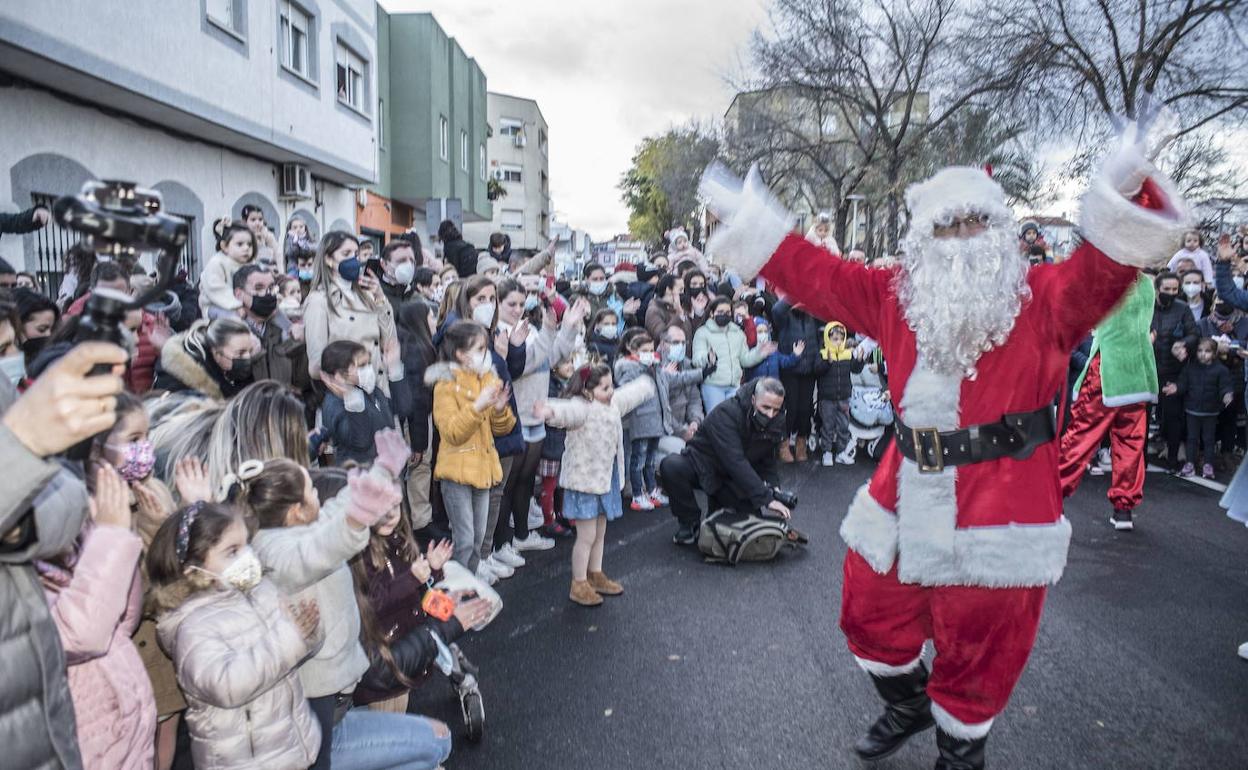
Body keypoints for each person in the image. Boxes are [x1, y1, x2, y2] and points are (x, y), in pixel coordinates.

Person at [699, 112, 1189, 765]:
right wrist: (756, 229)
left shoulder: (1046, 297)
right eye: (946, 225)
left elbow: (1110, 263)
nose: (961, 238)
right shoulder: (895, 296)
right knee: (867, 614)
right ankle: (906, 703)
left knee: (981, 645)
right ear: (923, 237)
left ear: (999, 231)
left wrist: (1125, 195)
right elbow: (815, 273)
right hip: (905, 490)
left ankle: (960, 751)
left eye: (975, 222)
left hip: (1003, 501)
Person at [0, 342, 127, 770]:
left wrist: (16, 520)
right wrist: (18, 451)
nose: (11, 358)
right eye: (2, 349)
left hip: (43, 711)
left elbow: (64, 505)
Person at [147, 502, 324, 770]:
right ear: (192, 570)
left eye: (246, 545)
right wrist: (291, 638)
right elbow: (228, 685)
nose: (247, 557)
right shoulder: (192, 627)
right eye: (232, 551)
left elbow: (297, 644)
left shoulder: (260, 589)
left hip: (291, 748)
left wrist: (307, 629)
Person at [36, 463, 156, 770]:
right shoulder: (21, 580)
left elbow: (123, 621)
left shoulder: (68, 555)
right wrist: (110, 538)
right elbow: (81, 634)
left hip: (129, 744)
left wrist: (107, 534)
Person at [533, 363, 654, 606]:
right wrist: (549, 411)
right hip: (585, 481)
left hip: (606, 479)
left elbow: (629, 394)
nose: (610, 392)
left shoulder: (613, 403)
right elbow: (567, 411)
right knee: (586, 535)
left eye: (611, 386)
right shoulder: (583, 407)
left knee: (600, 532)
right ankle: (578, 583)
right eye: (604, 388)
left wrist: (646, 384)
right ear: (588, 392)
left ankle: (595, 574)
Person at [1058, 274, 1157, 531]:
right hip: (1138, 373)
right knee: (1130, 443)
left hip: (1107, 371)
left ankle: (1052, 495)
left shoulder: (1106, 279)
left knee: (1081, 437)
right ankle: (1123, 509)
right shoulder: (1146, 284)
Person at [427, 320, 516, 574]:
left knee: (477, 540)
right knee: (464, 540)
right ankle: (454, 589)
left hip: (484, 470)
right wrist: (477, 406)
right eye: (479, 349)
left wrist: (499, 410)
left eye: (485, 348)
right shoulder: (446, 384)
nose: (485, 354)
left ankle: (470, 585)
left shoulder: (488, 378)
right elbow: (452, 432)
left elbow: (502, 428)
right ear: (460, 354)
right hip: (456, 473)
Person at [659, 377, 789, 545]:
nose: (770, 414)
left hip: (731, 477)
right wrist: (767, 499)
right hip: (704, 466)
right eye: (766, 407)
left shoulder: (777, 420)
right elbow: (735, 461)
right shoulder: (726, 413)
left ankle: (717, 510)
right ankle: (689, 522)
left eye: (776, 410)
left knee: (750, 524)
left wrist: (774, 489)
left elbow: (768, 459)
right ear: (753, 399)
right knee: (671, 466)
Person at [304, 231, 399, 396]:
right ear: (328, 259)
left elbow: (390, 342)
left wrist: (380, 299)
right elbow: (316, 364)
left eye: (355, 254)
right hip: (347, 394)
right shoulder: (318, 301)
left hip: (379, 389)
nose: (353, 260)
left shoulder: (366, 296)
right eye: (346, 254)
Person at [319, 339, 411, 466]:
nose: (368, 368)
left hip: (386, 474)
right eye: (362, 365)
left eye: (368, 363)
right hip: (360, 479)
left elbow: (402, 408)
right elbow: (360, 441)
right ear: (339, 374)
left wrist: (394, 369)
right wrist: (352, 398)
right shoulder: (333, 404)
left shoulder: (367, 390)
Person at [693, 296, 774, 412]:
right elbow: (696, 359)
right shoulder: (703, 333)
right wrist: (707, 358)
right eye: (720, 312)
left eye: (727, 312)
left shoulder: (737, 333)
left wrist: (760, 352)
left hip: (734, 385)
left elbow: (745, 359)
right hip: (713, 385)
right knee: (717, 422)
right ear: (712, 313)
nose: (724, 315)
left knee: (733, 422)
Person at [615, 329, 666, 511]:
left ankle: (651, 489)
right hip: (640, 421)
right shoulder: (629, 368)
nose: (649, 354)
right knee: (638, 460)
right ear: (634, 352)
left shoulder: (653, 366)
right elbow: (624, 389)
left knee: (650, 459)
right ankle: (637, 494)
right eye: (645, 350)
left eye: (651, 350)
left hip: (655, 420)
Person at [1151, 270, 1197, 469]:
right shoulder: (1146, 308)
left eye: (1175, 289)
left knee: (1173, 417)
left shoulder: (1183, 308)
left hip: (1173, 371)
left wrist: (1184, 344)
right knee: (1141, 417)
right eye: (1166, 289)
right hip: (1148, 370)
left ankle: (1172, 458)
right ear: (1157, 289)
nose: (1171, 292)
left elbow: (1193, 333)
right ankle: (1139, 457)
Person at [232, 264, 303, 388]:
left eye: (271, 288)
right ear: (239, 294)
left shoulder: (286, 330)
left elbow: (303, 383)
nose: (267, 294)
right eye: (259, 288)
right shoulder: (229, 335)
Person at [1170, 338, 1233, 479]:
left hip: (1210, 411)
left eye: (1207, 351)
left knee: (1208, 440)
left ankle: (1208, 464)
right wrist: (1176, 388)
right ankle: (1190, 463)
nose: (1203, 354)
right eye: (1200, 351)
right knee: (1191, 438)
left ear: (1215, 353)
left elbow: (1225, 385)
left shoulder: (1220, 370)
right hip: (1192, 409)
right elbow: (1183, 382)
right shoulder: (1191, 367)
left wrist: (1227, 394)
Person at [153, 317, 257, 399]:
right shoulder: (177, 381)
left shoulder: (235, 373)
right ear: (217, 354)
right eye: (240, 353)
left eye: (250, 351)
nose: (247, 357)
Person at [814, 321, 858, 466]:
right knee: (828, 425)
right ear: (828, 339)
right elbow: (817, 371)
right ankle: (826, 452)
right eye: (834, 339)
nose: (838, 342)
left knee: (844, 425)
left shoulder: (847, 354)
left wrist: (860, 359)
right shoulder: (823, 354)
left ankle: (841, 452)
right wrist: (828, 362)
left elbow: (856, 369)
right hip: (827, 398)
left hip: (844, 396)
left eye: (840, 339)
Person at [199, 220, 256, 318]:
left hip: (242, 304)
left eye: (249, 244)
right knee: (234, 319)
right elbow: (216, 288)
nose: (246, 248)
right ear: (225, 246)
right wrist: (236, 305)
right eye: (240, 244)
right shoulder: (217, 262)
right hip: (216, 306)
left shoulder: (248, 264)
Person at [379, 239, 419, 309]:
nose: (409, 265)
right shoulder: (374, 294)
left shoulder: (416, 296)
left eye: (412, 261)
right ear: (384, 264)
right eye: (402, 261)